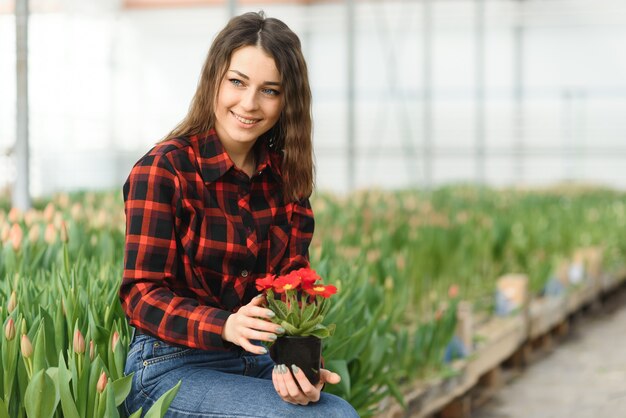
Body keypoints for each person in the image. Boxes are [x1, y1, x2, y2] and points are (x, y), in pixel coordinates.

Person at [119, 11, 359, 418]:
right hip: (167, 368)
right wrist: (225, 325)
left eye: (270, 90)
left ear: (287, 101)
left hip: (253, 361)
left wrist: (299, 368)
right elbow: (140, 295)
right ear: (213, 79)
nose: (249, 104)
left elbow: (290, 290)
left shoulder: (285, 179)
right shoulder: (165, 169)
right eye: (237, 82)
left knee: (334, 411)